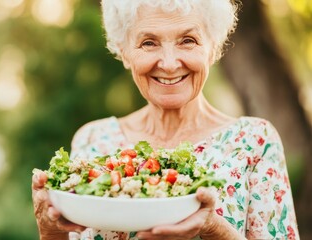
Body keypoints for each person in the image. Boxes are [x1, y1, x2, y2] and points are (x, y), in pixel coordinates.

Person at [32, 0, 300, 239]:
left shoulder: (255, 141)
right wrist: (51, 231)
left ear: (213, 48)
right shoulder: (93, 141)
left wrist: (214, 229)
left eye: (188, 40)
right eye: (149, 43)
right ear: (125, 52)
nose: (170, 63)